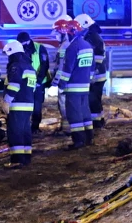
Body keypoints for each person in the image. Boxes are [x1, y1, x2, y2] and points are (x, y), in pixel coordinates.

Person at [54, 18, 94, 148]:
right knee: (85, 111)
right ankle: (89, 138)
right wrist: (87, 79)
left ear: (71, 32)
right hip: (85, 86)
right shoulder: (88, 46)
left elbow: (67, 69)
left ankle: (78, 141)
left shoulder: (72, 48)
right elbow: (93, 67)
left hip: (73, 87)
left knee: (74, 113)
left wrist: (62, 84)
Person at [2, 37, 36, 166]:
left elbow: (14, 85)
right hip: (28, 104)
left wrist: (6, 101)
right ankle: (26, 157)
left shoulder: (16, 66)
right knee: (25, 131)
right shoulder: (29, 66)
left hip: (17, 104)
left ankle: (17, 160)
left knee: (15, 132)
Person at [78, 14, 107, 131]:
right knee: (96, 99)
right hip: (97, 74)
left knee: (93, 100)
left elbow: (97, 59)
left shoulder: (93, 38)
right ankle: (99, 121)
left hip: (96, 75)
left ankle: (96, 124)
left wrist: (90, 74)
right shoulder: (92, 36)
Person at [28, 31, 52, 132]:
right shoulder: (20, 48)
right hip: (27, 83)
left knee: (37, 106)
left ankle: (35, 127)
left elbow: (44, 65)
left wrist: (38, 81)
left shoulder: (40, 48)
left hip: (39, 82)